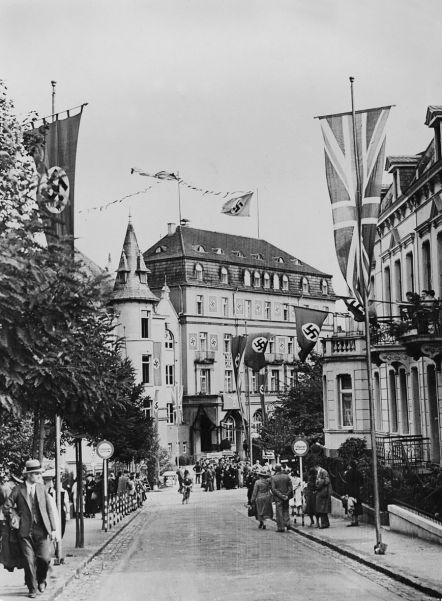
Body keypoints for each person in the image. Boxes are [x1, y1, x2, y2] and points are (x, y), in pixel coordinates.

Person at [4, 459, 57, 598]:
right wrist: (14, 516)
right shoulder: (18, 489)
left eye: (39, 473)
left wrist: (54, 529)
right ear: (28, 475)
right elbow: (6, 507)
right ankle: (32, 589)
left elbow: (49, 509)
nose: (39, 476)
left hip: (42, 530)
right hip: (24, 531)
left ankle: (41, 580)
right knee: (28, 561)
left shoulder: (41, 488)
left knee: (44, 558)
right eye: (36, 474)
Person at [271, 464, 294, 532]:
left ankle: (281, 527)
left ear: (275, 470)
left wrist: (281, 496)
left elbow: (273, 489)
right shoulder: (287, 477)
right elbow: (290, 487)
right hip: (286, 498)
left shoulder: (274, 478)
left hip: (278, 498)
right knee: (286, 510)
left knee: (279, 512)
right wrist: (286, 495)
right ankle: (288, 523)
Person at [344, 460, 363, 527]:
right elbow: (361, 482)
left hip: (351, 492)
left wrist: (346, 493)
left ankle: (353, 521)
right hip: (357, 492)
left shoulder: (348, 473)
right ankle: (356, 520)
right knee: (357, 506)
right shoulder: (358, 472)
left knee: (351, 506)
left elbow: (347, 483)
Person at [315, 463, 332, 529]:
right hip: (322, 492)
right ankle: (326, 523)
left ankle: (324, 524)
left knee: (322, 509)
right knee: (323, 509)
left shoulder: (323, 471)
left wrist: (318, 482)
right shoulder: (321, 471)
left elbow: (327, 481)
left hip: (323, 493)